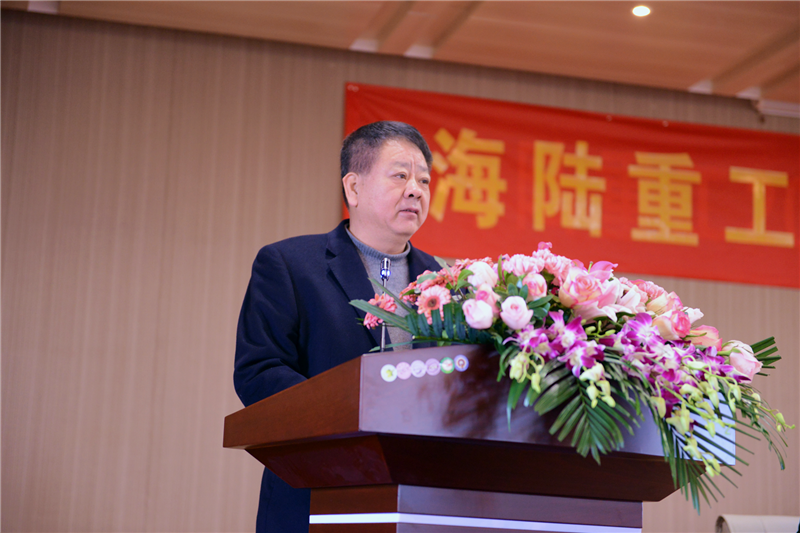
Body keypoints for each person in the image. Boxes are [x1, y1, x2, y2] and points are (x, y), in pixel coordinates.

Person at [233, 121, 441, 532]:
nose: (415, 190)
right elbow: (259, 371)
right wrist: (354, 411)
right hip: (315, 493)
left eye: (424, 180)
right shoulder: (291, 265)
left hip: (418, 499)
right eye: (400, 175)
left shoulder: (444, 281)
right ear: (354, 187)